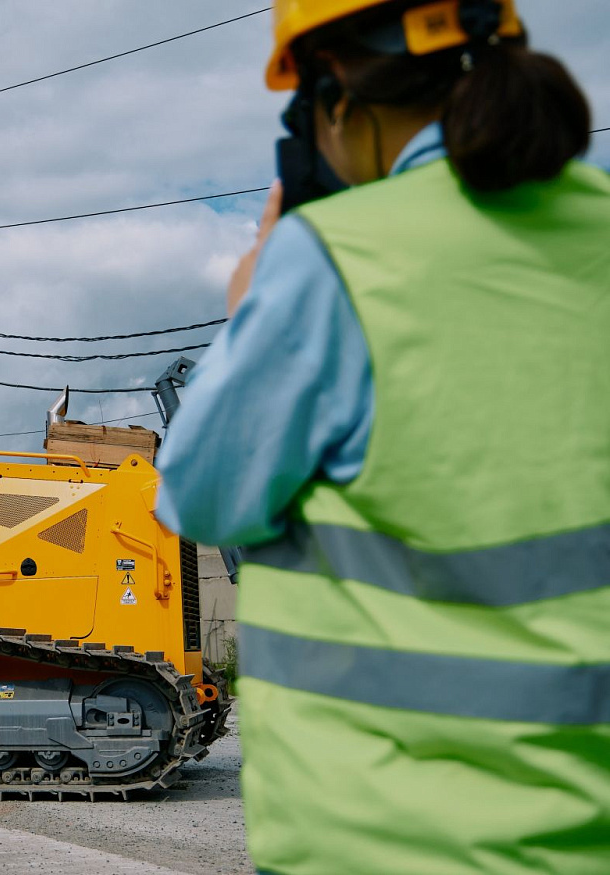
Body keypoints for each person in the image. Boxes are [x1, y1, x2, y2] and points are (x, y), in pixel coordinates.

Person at [154, 1, 606, 872]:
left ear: (335, 93)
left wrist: (251, 306)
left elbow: (199, 493)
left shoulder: (340, 260)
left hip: (390, 839)